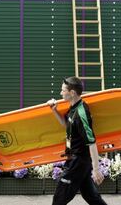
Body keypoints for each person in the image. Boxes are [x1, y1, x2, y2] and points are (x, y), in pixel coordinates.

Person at [47, 76, 107, 205]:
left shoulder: (81, 113)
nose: (60, 93)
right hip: (77, 160)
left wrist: (96, 169)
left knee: (59, 199)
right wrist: (55, 111)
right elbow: (66, 125)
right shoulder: (73, 107)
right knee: (92, 197)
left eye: (63, 90)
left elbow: (91, 142)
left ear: (72, 93)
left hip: (77, 162)